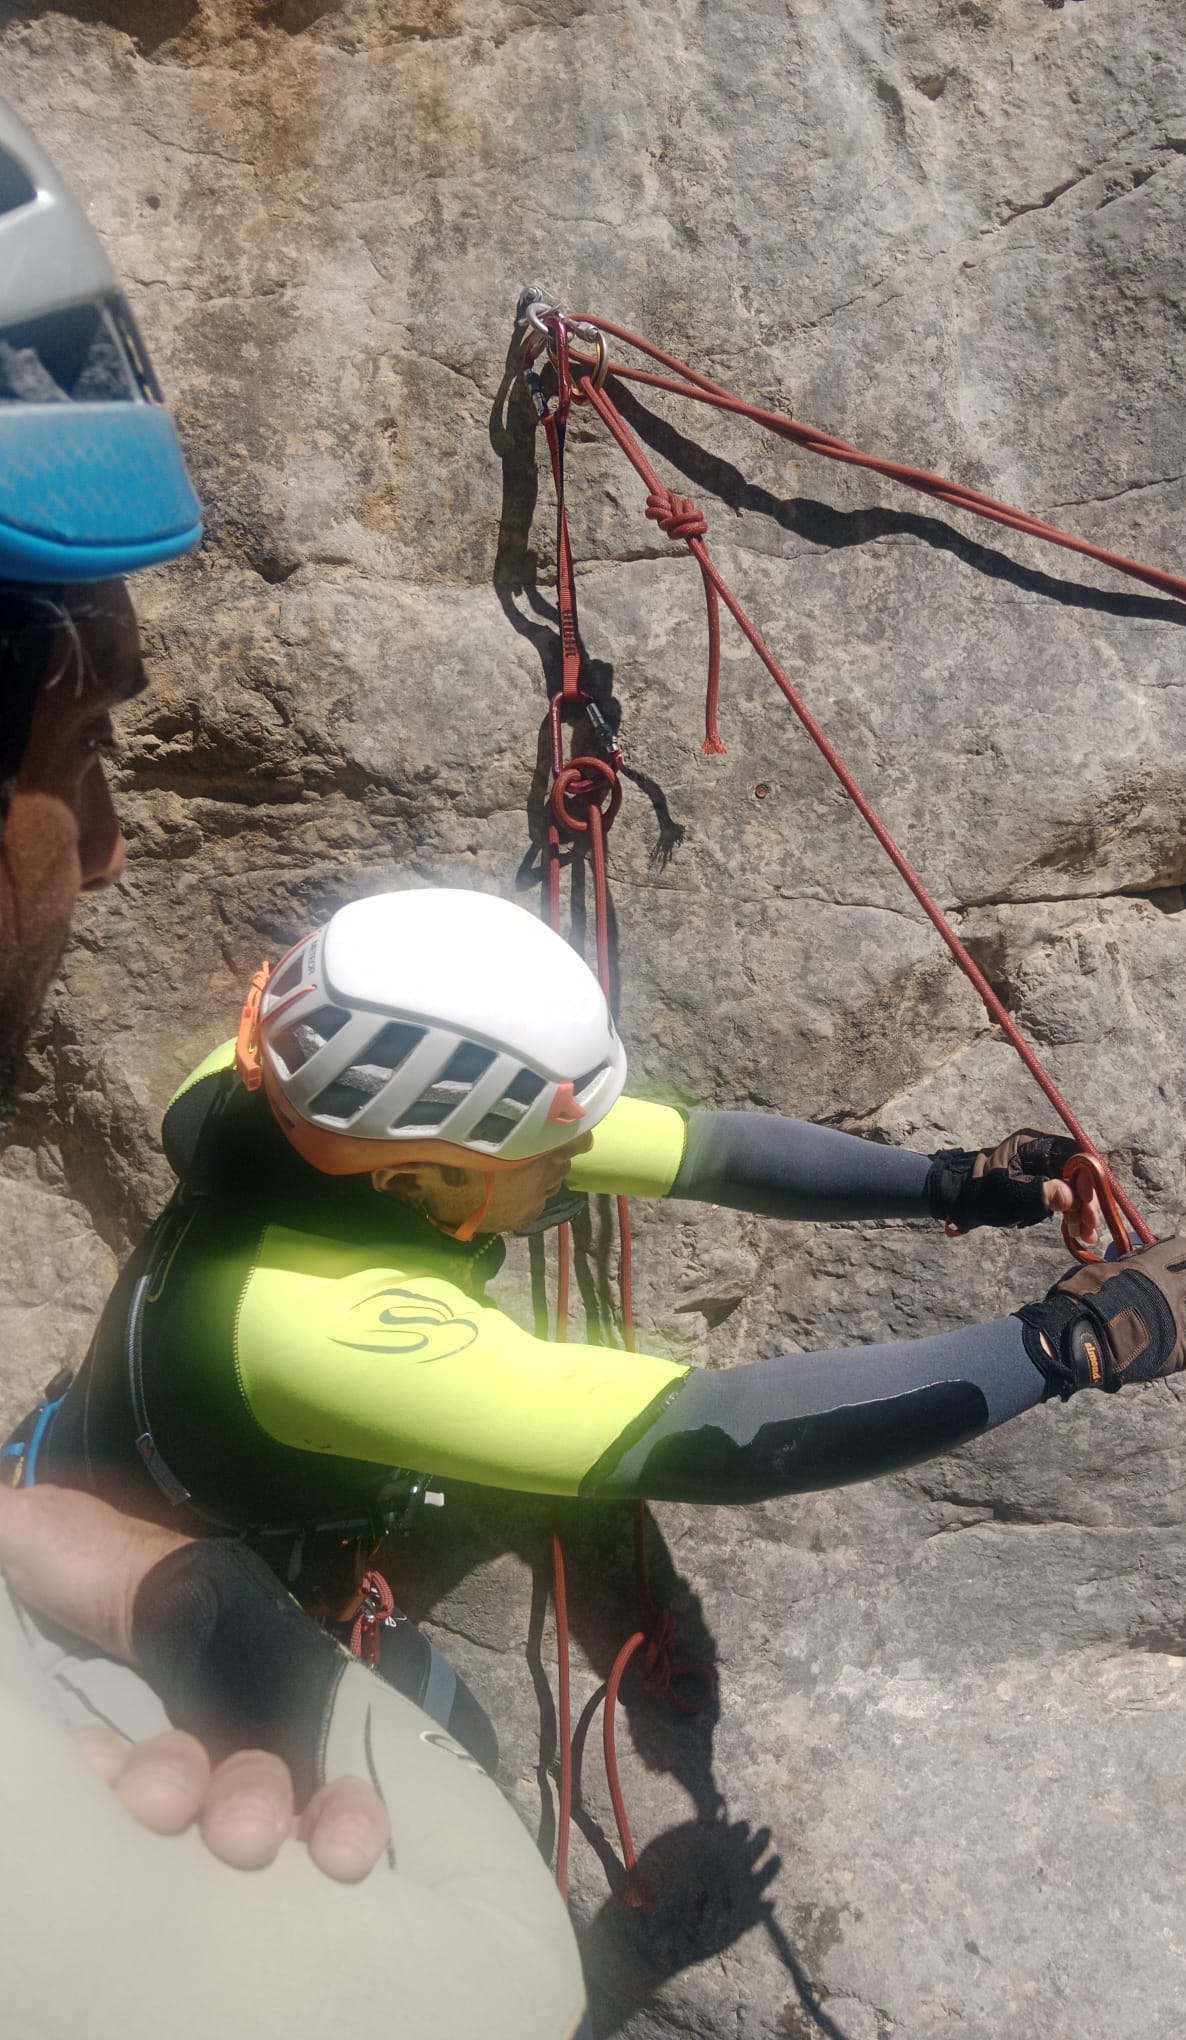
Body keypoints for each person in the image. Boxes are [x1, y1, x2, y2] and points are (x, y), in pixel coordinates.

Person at [0, 91, 590, 2039]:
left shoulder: (221, 1128)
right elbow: (658, 1432)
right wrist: (1047, 1341)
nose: (111, 839)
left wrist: (104, 1572)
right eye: (84, 724)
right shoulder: (300, 1311)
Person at [37, 883, 1186, 1770]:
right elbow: (715, 1437)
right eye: (549, 1153)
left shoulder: (284, 1090)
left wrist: (950, 1181)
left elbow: (705, 1147)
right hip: (151, 1608)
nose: (581, 1165)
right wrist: (1056, 1347)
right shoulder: (325, 1328)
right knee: (460, 1759)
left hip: (86, 1468)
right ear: (419, 1178)